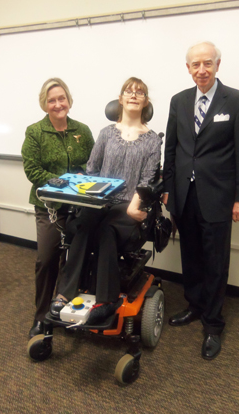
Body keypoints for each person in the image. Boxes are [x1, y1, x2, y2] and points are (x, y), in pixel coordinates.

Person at [162, 41, 239, 360]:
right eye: (195, 65)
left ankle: (213, 324)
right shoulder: (179, 101)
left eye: (207, 63)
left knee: (216, 262)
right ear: (187, 68)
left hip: (218, 196)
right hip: (184, 195)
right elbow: (171, 149)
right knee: (190, 256)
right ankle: (194, 306)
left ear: (218, 64)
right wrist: (167, 187)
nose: (201, 70)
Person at [50, 77, 162, 324]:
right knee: (82, 225)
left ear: (145, 102)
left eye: (139, 92)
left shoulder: (153, 140)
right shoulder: (106, 133)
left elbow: (146, 179)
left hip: (128, 204)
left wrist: (136, 205)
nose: (133, 95)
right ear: (120, 99)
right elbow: (92, 170)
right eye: (128, 91)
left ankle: (107, 300)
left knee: (106, 229)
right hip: (100, 200)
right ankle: (64, 292)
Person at [22, 78, 94, 338]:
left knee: (75, 259)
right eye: (52, 100)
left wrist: (81, 176)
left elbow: (93, 165)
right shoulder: (35, 132)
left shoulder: (82, 130)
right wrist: (61, 183)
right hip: (49, 207)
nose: (57, 104)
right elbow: (32, 169)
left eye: (61, 98)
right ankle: (41, 316)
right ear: (45, 103)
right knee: (47, 259)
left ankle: (65, 309)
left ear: (69, 100)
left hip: (79, 207)